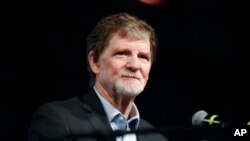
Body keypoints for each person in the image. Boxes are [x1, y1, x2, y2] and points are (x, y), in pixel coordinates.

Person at [27, 12, 168, 141]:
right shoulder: (58, 120)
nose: (135, 65)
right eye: (122, 53)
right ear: (95, 62)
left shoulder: (157, 138)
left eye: (143, 57)